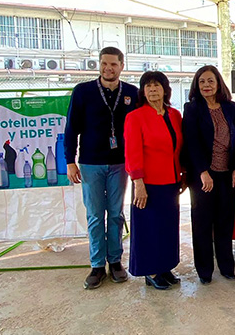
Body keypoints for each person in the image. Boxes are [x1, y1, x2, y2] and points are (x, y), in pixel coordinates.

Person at [65, 46, 138, 289]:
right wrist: (70, 161)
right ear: (98, 64)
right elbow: (71, 128)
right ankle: (97, 265)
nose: (109, 68)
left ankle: (115, 262)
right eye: (104, 64)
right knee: (95, 215)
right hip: (90, 164)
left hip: (120, 164)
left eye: (114, 64)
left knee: (116, 215)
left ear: (122, 66)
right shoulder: (83, 91)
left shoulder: (132, 93)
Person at [182, 65, 235, 285]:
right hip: (203, 177)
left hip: (227, 174)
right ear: (197, 85)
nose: (206, 86)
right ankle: (204, 271)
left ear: (218, 83)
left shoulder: (231, 108)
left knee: (225, 222)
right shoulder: (192, 109)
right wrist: (202, 172)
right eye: (202, 82)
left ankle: (227, 267)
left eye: (210, 81)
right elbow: (191, 143)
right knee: (202, 223)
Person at [124, 71, 185, 290]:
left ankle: (165, 267)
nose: (152, 90)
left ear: (165, 89)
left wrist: (183, 174)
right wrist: (138, 183)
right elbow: (132, 153)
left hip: (170, 181)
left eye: (156, 86)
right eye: (147, 86)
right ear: (143, 91)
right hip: (147, 184)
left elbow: (180, 148)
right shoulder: (135, 117)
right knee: (148, 228)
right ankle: (150, 270)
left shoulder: (174, 115)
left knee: (167, 228)